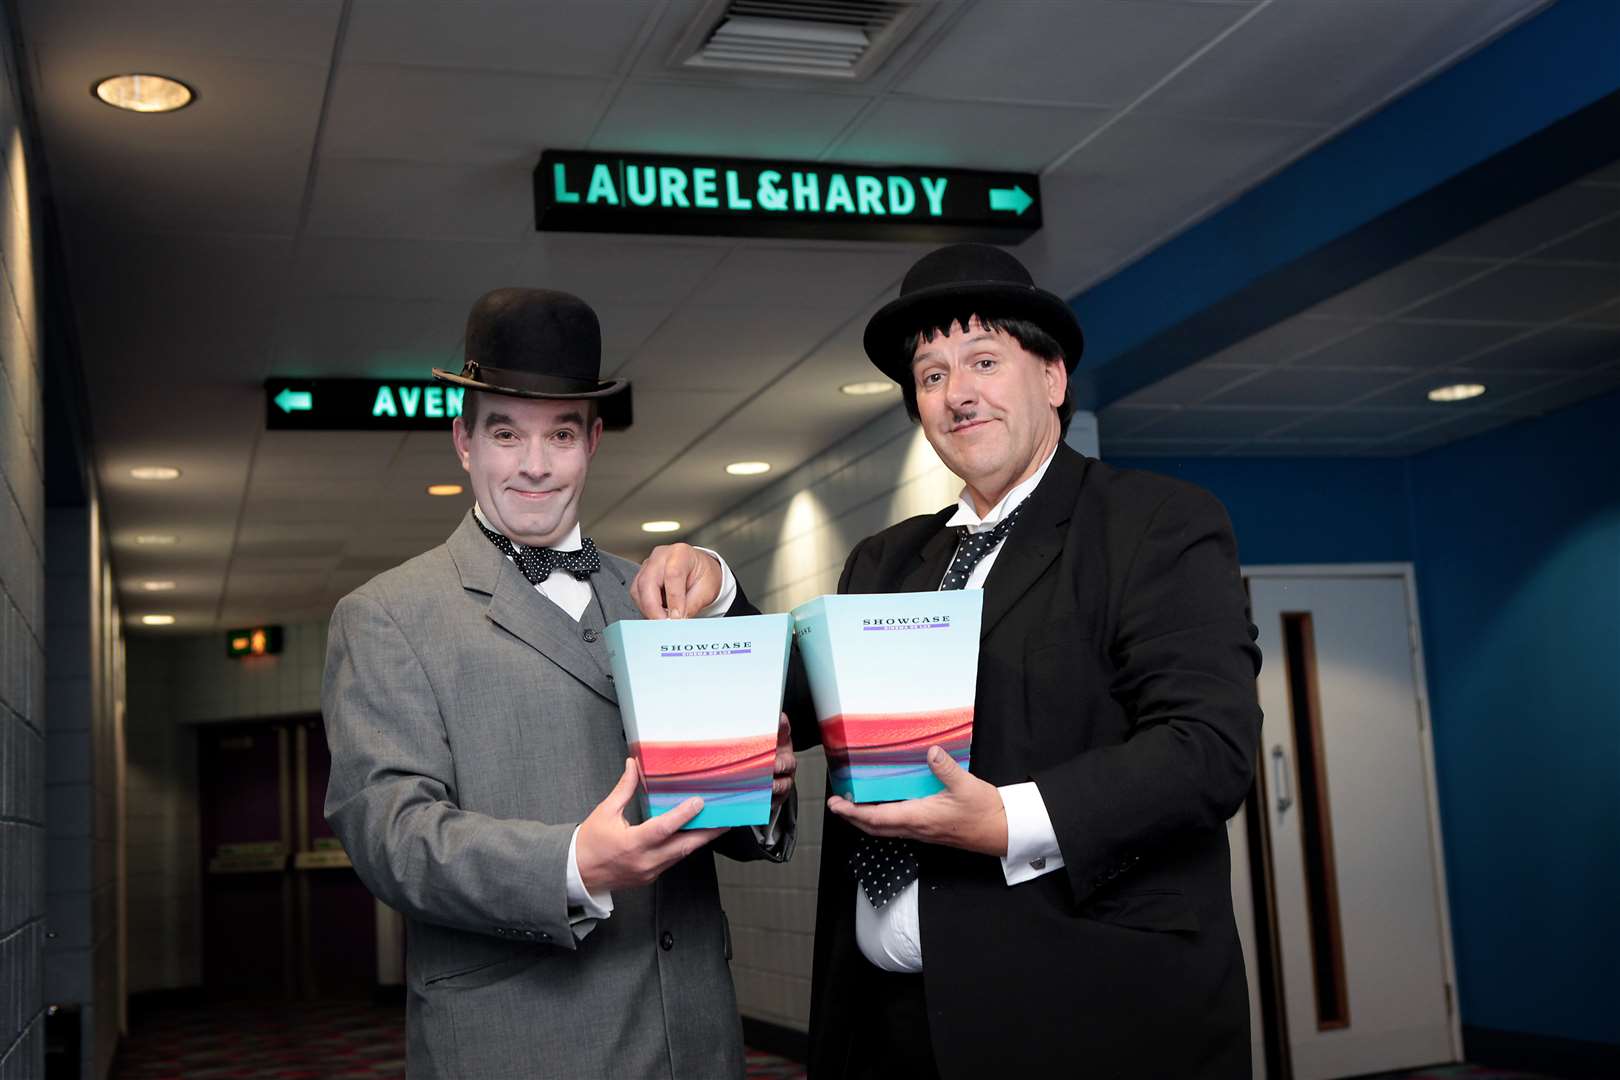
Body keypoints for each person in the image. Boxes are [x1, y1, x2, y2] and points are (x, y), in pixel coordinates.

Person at [788, 244, 1262, 1078]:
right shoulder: (883, 563)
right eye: (930, 376)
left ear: (1051, 378)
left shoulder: (1155, 522)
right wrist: (715, 595)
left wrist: (1010, 822)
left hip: (1086, 1022)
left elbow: (1208, 748)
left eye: (982, 361)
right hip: (890, 1029)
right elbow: (801, 700)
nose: (955, 392)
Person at [322, 288, 796, 1079]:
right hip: (522, 1041)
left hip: (696, 1039)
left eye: (561, 435)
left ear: (593, 442)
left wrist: (760, 790)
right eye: (506, 433)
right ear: (464, 442)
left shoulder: (658, 595)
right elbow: (391, 836)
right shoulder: (386, 615)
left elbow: (711, 808)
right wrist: (575, 863)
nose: (535, 465)